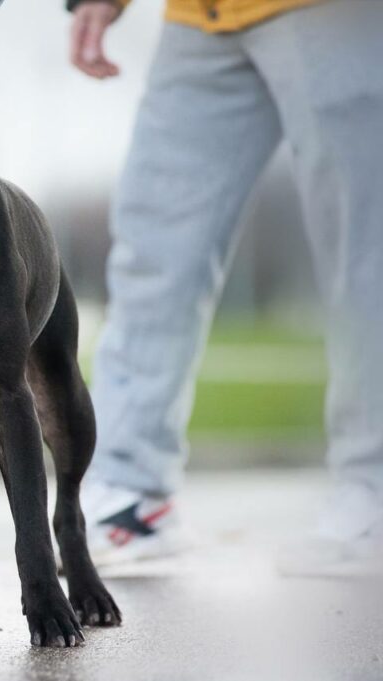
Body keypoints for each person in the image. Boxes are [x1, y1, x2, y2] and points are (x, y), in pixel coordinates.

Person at [65, 0, 383, 575]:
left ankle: (374, 491)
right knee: (152, 247)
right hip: (200, 17)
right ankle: (134, 498)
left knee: (366, 249)